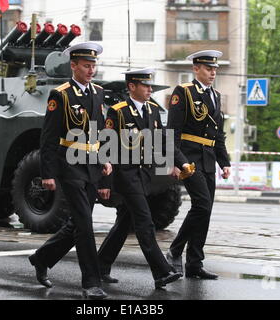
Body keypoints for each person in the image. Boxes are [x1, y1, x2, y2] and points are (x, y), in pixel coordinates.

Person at [28, 42, 112, 300]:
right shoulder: (60, 95)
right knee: (85, 225)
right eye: (86, 65)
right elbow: (49, 138)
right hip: (70, 165)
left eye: (93, 65)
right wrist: (48, 174)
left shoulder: (98, 92)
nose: (91, 70)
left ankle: (41, 258)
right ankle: (91, 283)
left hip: (92, 166)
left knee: (77, 223)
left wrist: (105, 158)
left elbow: (98, 131)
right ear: (73, 66)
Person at [97, 68, 191, 288]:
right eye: (145, 85)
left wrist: (179, 163)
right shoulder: (118, 112)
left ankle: (100, 265)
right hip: (125, 176)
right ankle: (161, 272)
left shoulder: (153, 111)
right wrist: (104, 183)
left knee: (124, 222)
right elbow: (105, 149)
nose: (150, 89)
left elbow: (162, 142)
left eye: (151, 85)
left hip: (143, 175)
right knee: (144, 222)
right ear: (131, 87)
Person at [165, 50, 231, 279]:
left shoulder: (216, 95)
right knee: (202, 205)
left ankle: (194, 262)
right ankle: (174, 249)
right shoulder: (183, 92)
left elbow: (217, 134)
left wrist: (225, 162)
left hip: (208, 159)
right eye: (208, 68)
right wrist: (175, 161)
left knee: (206, 210)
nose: (213, 72)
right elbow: (172, 131)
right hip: (188, 158)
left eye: (215, 69)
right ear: (196, 69)